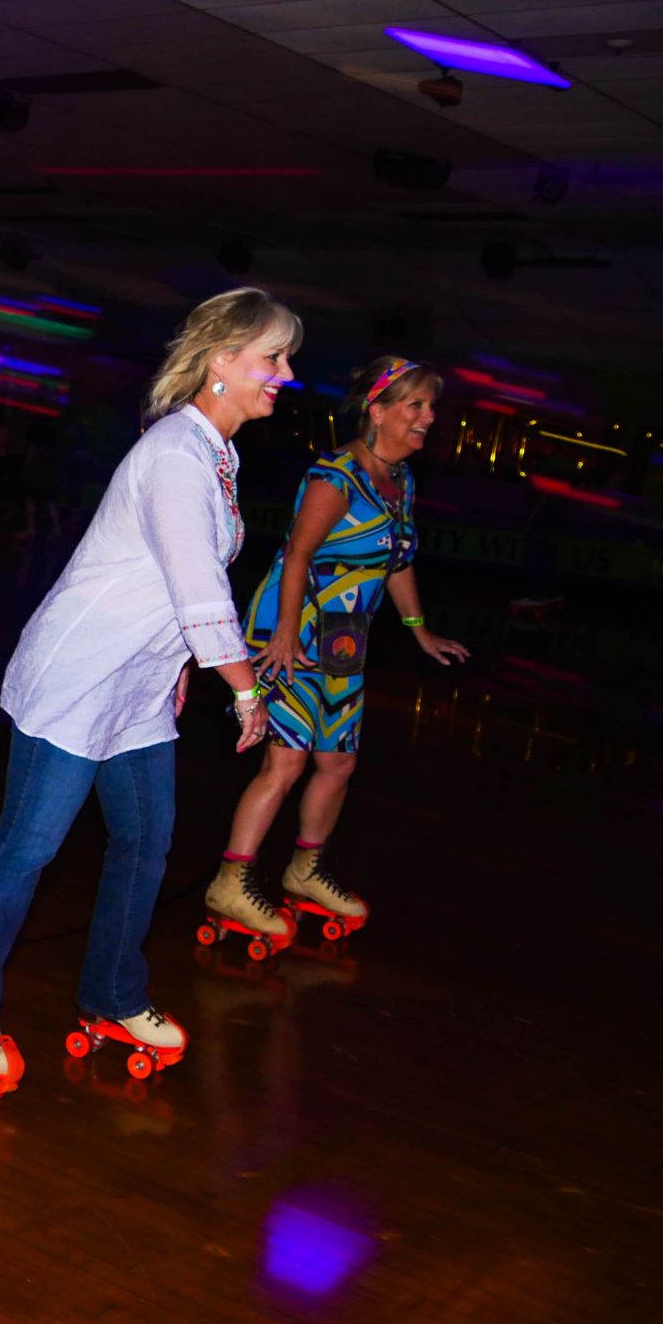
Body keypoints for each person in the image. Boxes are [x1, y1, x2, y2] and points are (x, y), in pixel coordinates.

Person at [0, 288, 296, 1082]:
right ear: (222, 362)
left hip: (136, 689)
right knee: (27, 848)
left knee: (146, 840)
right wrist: (243, 688)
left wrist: (171, 669)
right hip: (77, 677)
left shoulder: (214, 456)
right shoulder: (175, 455)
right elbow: (199, 588)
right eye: (272, 357)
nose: (285, 374)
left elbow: (165, 587)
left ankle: (113, 995)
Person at [207, 356, 469, 935]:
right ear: (377, 412)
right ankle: (231, 882)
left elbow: (396, 560)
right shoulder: (336, 477)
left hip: (344, 640)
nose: (428, 417)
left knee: (339, 760)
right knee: (288, 760)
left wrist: (419, 630)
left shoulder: (399, 481)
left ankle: (305, 871)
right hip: (294, 633)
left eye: (431, 406)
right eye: (415, 405)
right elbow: (297, 554)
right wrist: (280, 634)